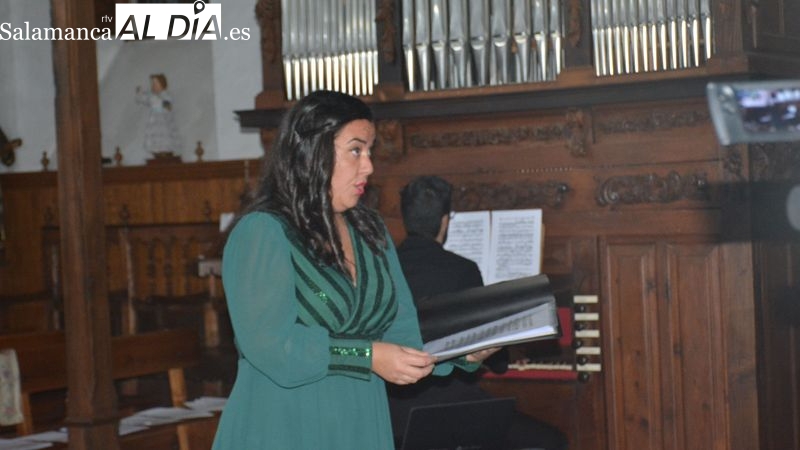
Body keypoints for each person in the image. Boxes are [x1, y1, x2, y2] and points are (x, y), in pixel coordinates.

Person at [211, 91, 497, 449]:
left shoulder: (370, 230)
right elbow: (273, 346)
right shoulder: (262, 232)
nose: (369, 166)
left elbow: (401, 331)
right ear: (312, 151)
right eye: (356, 150)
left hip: (360, 422)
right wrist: (368, 356)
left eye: (370, 151)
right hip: (284, 424)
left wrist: (460, 354)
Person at [388, 175, 569, 450]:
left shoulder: (385, 269)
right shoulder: (463, 269)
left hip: (394, 414)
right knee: (551, 442)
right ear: (445, 220)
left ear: (405, 218)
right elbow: (495, 358)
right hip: (450, 409)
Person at [135, 73, 182, 155]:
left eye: (155, 83)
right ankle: (157, 152)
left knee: (164, 138)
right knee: (155, 138)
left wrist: (157, 101)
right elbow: (143, 99)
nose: (153, 86)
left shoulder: (166, 95)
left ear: (162, 84)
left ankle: (165, 151)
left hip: (164, 123)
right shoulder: (152, 96)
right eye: (152, 84)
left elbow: (168, 106)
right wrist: (139, 93)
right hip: (154, 123)